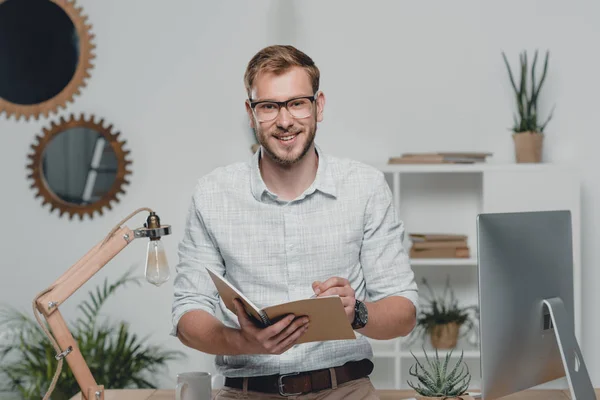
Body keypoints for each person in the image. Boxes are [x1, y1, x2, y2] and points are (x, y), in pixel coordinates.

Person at [171, 45, 418, 399]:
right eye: (269, 106)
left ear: (318, 106)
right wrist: (242, 341)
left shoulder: (365, 187)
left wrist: (357, 312)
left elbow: (403, 312)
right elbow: (187, 315)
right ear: (251, 113)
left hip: (345, 390)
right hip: (246, 392)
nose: (284, 121)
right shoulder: (212, 194)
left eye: (297, 103)